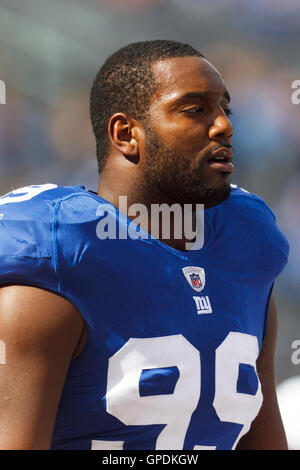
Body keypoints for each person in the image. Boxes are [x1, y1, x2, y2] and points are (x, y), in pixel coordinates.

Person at [0, 40, 289, 450]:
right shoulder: (61, 259)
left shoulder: (245, 248)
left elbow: (261, 434)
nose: (224, 126)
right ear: (126, 134)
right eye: (195, 109)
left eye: (226, 109)